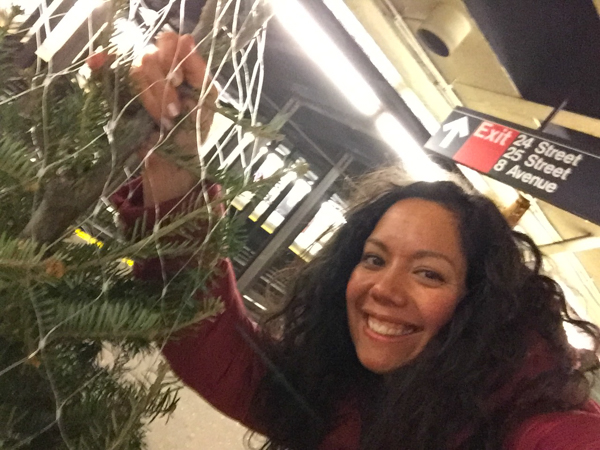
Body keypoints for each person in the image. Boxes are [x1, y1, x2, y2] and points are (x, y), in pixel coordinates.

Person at [114, 33, 600, 449]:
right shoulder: (350, 395)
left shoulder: (534, 424)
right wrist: (174, 164)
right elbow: (213, 344)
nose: (384, 289)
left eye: (429, 273)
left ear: (480, 304)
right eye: (374, 259)